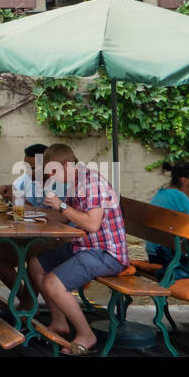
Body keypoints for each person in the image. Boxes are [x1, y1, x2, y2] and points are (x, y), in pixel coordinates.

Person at [29, 143, 128, 356]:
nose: (51, 177)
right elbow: (66, 216)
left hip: (107, 253)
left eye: (53, 171)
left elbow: (91, 224)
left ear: (66, 164)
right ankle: (59, 322)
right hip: (85, 246)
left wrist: (61, 205)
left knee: (52, 282)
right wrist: (34, 211)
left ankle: (86, 335)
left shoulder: (91, 183)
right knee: (36, 264)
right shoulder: (76, 181)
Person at [0, 142, 50, 287]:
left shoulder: (60, 184)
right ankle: (22, 297)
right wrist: (9, 191)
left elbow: (56, 215)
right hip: (27, 234)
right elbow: (16, 200)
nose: (29, 172)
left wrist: (24, 205)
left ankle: (27, 303)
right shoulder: (25, 179)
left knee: (35, 254)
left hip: (55, 237)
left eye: (33, 168)